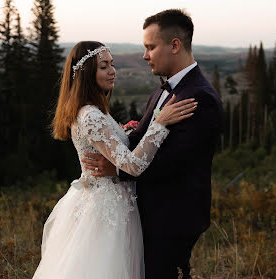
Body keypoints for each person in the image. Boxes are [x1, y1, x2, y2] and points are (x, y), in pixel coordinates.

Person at [32, 41, 197, 279]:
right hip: (106, 211)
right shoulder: (90, 116)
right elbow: (132, 165)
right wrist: (160, 123)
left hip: (115, 203)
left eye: (112, 64)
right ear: (87, 73)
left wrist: (129, 133)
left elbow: (114, 150)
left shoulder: (96, 110)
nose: (112, 71)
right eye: (103, 66)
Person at [83, 9, 223, 279]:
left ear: (174, 45)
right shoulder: (162, 90)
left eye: (150, 47)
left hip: (171, 217)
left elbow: (174, 162)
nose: (144, 56)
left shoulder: (199, 97)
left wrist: (117, 169)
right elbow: (144, 136)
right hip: (150, 212)